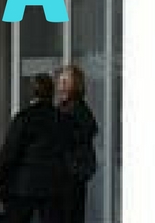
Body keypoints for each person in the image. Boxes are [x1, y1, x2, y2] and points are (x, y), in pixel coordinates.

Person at [0, 74, 65, 223]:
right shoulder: (61, 119)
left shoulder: (25, 117)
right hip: (54, 185)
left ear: (31, 93)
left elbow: (9, 151)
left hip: (24, 185)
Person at [55, 65, 99, 223]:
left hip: (70, 173)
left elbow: (87, 130)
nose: (61, 85)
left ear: (75, 84)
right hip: (72, 172)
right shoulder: (67, 107)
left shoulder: (75, 108)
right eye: (60, 81)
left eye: (65, 81)